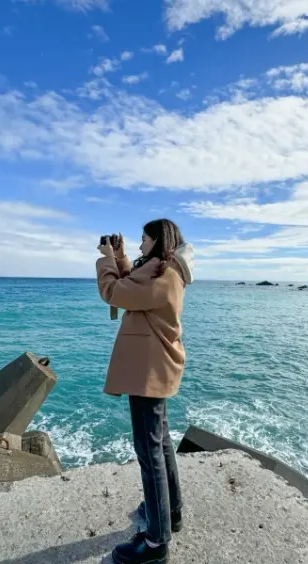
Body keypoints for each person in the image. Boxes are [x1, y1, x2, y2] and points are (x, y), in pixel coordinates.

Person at [96, 218, 194, 564]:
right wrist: (121, 259)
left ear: (158, 241)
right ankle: (170, 513)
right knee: (160, 442)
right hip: (151, 368)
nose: (139, 247)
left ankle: (156, 543)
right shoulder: (164, 271)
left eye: (143, 240)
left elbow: (116, 292)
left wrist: (107, 259)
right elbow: (133, 286)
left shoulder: (162, 275)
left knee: (148, 451)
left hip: (147, 371)